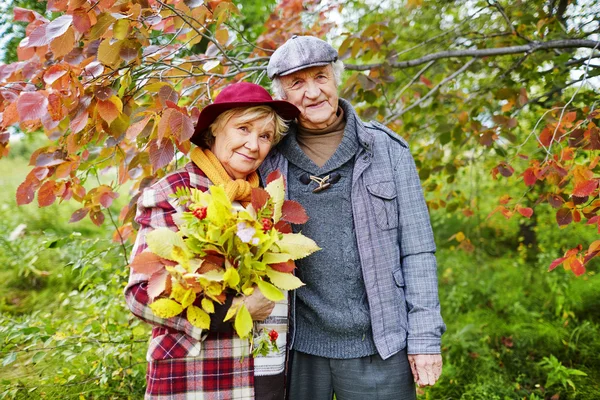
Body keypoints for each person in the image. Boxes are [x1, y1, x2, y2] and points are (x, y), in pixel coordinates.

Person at [257, 35, 446, 399]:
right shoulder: (268, 158)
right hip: (296, 347)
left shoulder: (387, 151)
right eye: (297, 83)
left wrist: (424, 336)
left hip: (381, 343)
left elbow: (418, 250)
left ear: (336, 78)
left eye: (321, 77)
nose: (313, 92)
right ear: (281, 94)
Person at [125, 82, 300, 399]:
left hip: (265, 372)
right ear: (215, 130)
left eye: (265, 136)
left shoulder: (265, 200)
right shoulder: (177, 194)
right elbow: (140, 295)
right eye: (243, 128)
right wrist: (236, 310)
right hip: (200, 378)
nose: (253, 144)